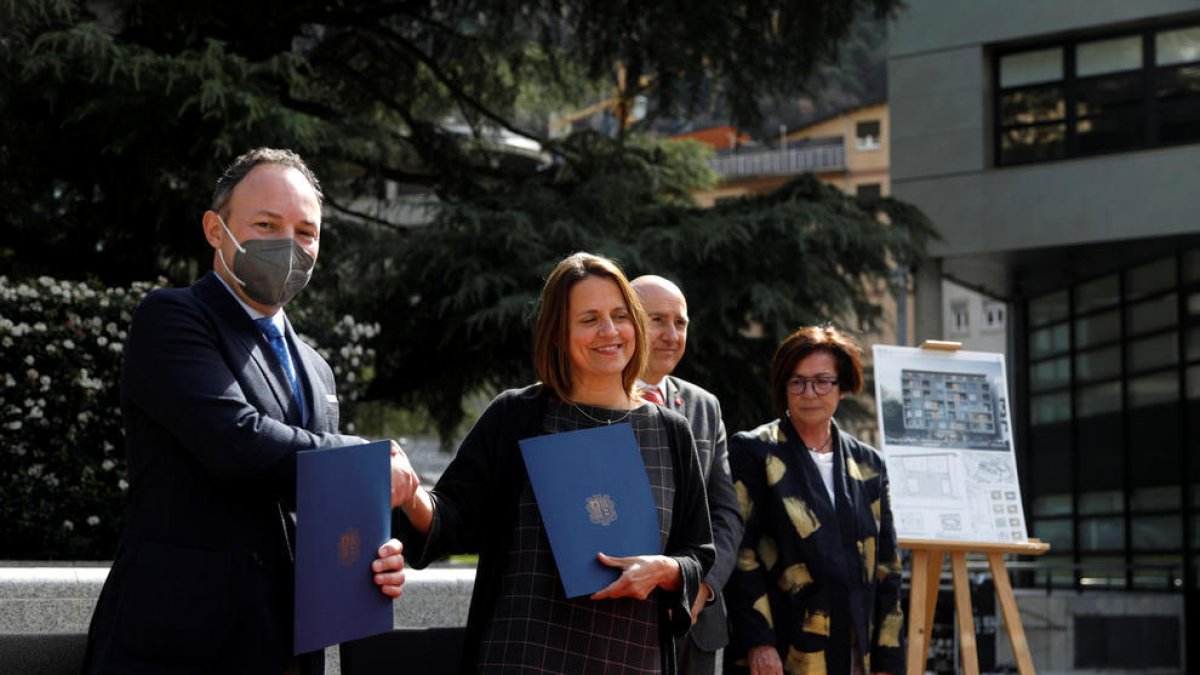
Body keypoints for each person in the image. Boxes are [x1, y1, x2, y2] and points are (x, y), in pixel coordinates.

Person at [82, 148, 407, 675]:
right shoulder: (172, 318)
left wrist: (375, 557)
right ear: (215, 230)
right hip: (178, 649)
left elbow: (314, 497)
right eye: (266, 225)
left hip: (287, 650)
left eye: (306, 232)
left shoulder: (317, 368)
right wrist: (364, 459)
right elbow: (237, 442)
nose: (289, 245)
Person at [388, 252, 715, 674]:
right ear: (558, 334)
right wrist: (411, 495)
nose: (610, 331)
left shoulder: (670, 431)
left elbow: (697, 552)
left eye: (620, 316)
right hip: (524, 657)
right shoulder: (517, 416)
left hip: (633, 659)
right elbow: (453, 519)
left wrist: (665, 570)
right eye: (589, 319)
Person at [724, 326, 904, 675]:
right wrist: (758, 642)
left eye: (823, 382)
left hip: (854, 648)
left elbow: (888, 565)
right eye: (797, 382)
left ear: (843, 386)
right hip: (782, 650)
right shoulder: (754, 451)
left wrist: (888, 659)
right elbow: (739, 552)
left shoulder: (869, 464)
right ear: (783, 387)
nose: (809, 393)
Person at [631, 275, 743, 675]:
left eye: (680, 323)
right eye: (657, 320)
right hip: (621, 621)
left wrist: (702, 584)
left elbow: (726, 514)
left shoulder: (704, 406)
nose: (671, 334)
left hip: (698, 623)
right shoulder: (596, 400)